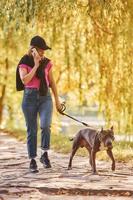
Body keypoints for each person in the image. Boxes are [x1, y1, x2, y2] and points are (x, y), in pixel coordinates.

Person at [16, 35, 63, 173]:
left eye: (44, 50)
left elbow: (52, 82)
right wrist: (36, 65)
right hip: (29, 98)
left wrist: (57, 101)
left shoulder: (47, 62)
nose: (43, 52)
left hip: (45, 97)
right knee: (32, 130)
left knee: (45, 125)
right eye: (41, 50)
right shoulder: (24, 61)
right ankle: (32, 160)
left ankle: (44, 154)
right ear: (33, 49)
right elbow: (25, 80)